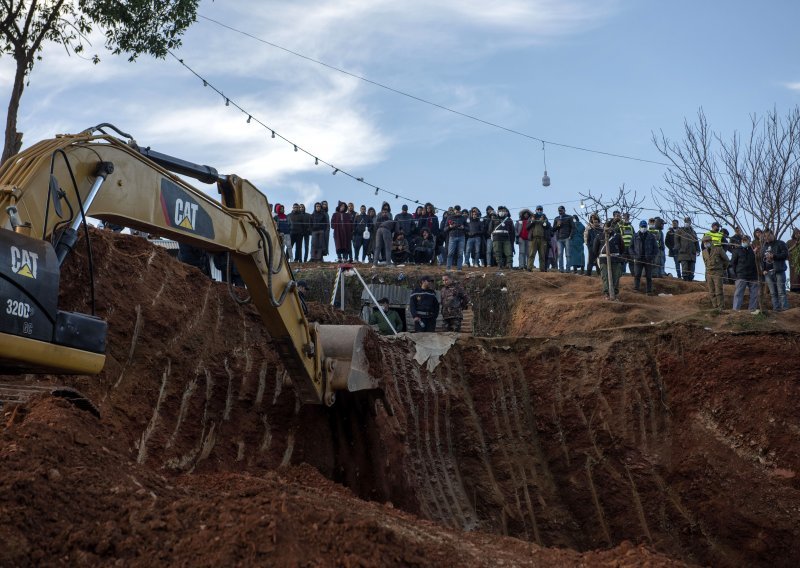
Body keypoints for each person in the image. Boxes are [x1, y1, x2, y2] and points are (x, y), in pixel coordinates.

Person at [592, 221, 624, 299]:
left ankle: (615, 294)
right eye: (606, 226)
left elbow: (622, 248)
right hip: (603, 259)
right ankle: (606, 293)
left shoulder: (617, 236)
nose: (608, 228)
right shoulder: (599, 236)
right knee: (605, 277)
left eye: (610, 226)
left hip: (615, 259)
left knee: (616, 277)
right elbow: (595, 250)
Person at [761, 229, 789, 312]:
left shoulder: (780, 243)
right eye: (765, 236)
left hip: (779, 270)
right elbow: (761, 260)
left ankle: (784, 309)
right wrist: (763, 269)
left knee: (781, 291)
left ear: (772, 234)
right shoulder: (764, 247)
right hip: (768, 272)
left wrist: (774, 256)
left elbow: (785, 254)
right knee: (773, 293)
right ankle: (776, 309)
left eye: (768, 235)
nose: (767, 237)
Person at [731, 235, 760, 312]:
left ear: (749, 241)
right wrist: (736, 274)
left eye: (746, 240)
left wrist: (756, 254)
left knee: (754, 294)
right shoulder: (737, 250)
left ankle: (752, 309)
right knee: (739, 293)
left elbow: (757, 262)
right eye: (743, 240)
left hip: (753, 275)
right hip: (741, 275)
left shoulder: (753, 251)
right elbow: (733, 263)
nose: (744, 242)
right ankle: (736, 310)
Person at [701, 235, 729, 309]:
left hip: (717, 272)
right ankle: (715, 307)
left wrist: (723, 269)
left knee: (718, 291)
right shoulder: (704, 252)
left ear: (710, 241)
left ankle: (721, 307)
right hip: (709, 273)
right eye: (704, 242)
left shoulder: (718, 249)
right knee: (711, 291)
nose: (706, 243)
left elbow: (726, 260)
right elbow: (705, 262)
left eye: (707, 241)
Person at [631, 220, 657, 294]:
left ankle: (649, 291)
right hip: (638, 258)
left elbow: (656, 248)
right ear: (639, 227)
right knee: (637, 274)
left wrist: (652, 256)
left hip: (648, 259)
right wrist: (634, 256)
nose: (643, 228)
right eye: (642, 226)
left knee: (649, 276)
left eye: (645, 226)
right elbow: (631, 247)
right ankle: (636, 289)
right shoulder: (635, 236)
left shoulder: (651, 236)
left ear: (647, 227)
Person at [675, 217, 700, 281]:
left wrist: (698, 250)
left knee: (692, 269)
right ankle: (685, 280)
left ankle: (690, 279)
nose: (687, 223)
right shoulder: (680, 231)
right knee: (685, 268)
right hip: (683, 252)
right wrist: (679, 248)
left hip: (692, 253)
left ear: (690, 222)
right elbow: (676, 239)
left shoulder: (693, 232)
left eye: (688, 222)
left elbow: (696, 241)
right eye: (686, 222)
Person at [526, 205, 550, 271]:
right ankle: (529, 268)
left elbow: (548, 226)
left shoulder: (544, 217)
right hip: (533, 238)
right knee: (531, 254)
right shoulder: (532, 217)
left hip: (542, 239)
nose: (539, 211)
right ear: (536, 210)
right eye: (538, 209)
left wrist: (543, 222)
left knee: (542, 255)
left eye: (540, 209)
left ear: (542, 210)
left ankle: (542, 269)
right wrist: (532, 221)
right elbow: (527, 227)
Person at [552, 205, 574, 272]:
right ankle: (561, 269)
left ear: (564, 210)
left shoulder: (569, 217)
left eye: (561, 210)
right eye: (559, 210)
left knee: (568, 255)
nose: (560, 212)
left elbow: (573, 227)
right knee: (560, 254)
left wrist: (570, 236)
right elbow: (553, 229)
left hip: (567, 238)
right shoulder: (556, 218)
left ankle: (568, 269)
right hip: (559, 239)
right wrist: (558, 225)